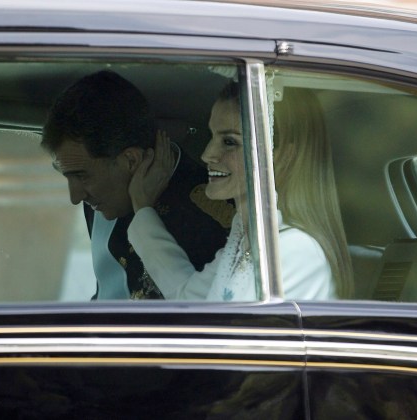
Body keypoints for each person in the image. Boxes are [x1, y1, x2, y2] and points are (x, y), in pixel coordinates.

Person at [127, 82, 353, 301]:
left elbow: (222, 336)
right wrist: (142, 208)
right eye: (212, 136)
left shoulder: (293, 250)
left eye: (229, 141)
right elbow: (188, 296)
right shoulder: (243, 241)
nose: (207, 154)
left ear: (281, 157)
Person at [41, 70, 227, 300]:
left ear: (131, 160)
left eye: (82, 176)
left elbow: (200, 311)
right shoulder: (99, 198)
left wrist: (143, 211)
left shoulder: (212, 212)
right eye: (66, 176)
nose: (75, 196)